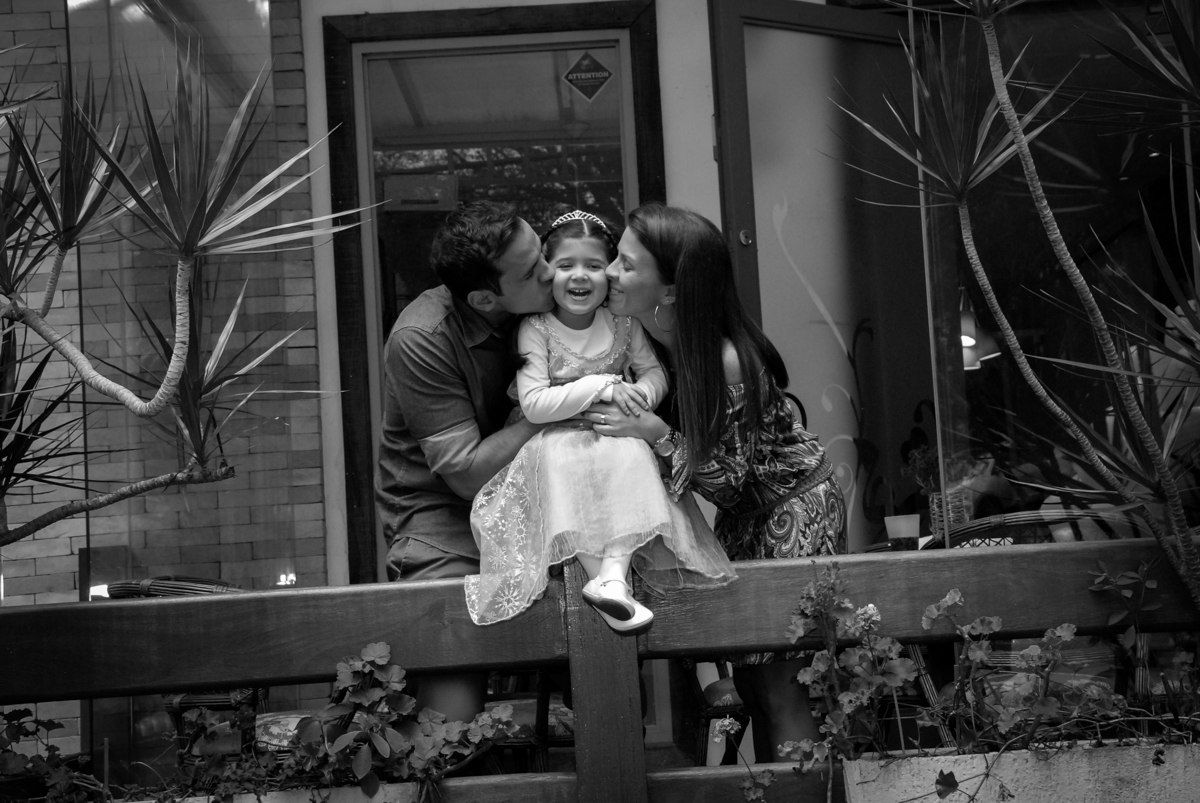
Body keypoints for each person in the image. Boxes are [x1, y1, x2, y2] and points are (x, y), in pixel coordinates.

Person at [582, 203, 847, 761]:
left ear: (671, 289)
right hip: (747, 518)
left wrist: (657, 433)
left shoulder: (727, 360)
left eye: (626, 264)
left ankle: (802, 793)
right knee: (752, 683)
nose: (609, 272)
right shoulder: (651, 340)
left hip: (793, 509)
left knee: (780, 687)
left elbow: (728, 481)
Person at [466, 211, 735, 632]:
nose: (580, 275)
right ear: (547, 272)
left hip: (614, 433)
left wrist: (638, 399)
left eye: (594, 265)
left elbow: (655, 374)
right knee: (561, 471)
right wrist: (605, 385)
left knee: (634, 457)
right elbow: (534, 404)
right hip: (557, 439)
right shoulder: (536, 328)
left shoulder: (623, 323)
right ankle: (603, 581)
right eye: (565, 265)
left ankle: (612, 577)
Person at [375, 200, 554, 722]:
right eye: (532, 271)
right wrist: (558, 406)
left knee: (606, 645)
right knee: (451, 716)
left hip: (539, 509)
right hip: (445, 524)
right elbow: (468, 474)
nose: (551, 271)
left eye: (543, 252)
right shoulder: (422, 338)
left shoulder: (548, 301)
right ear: (483, 298)